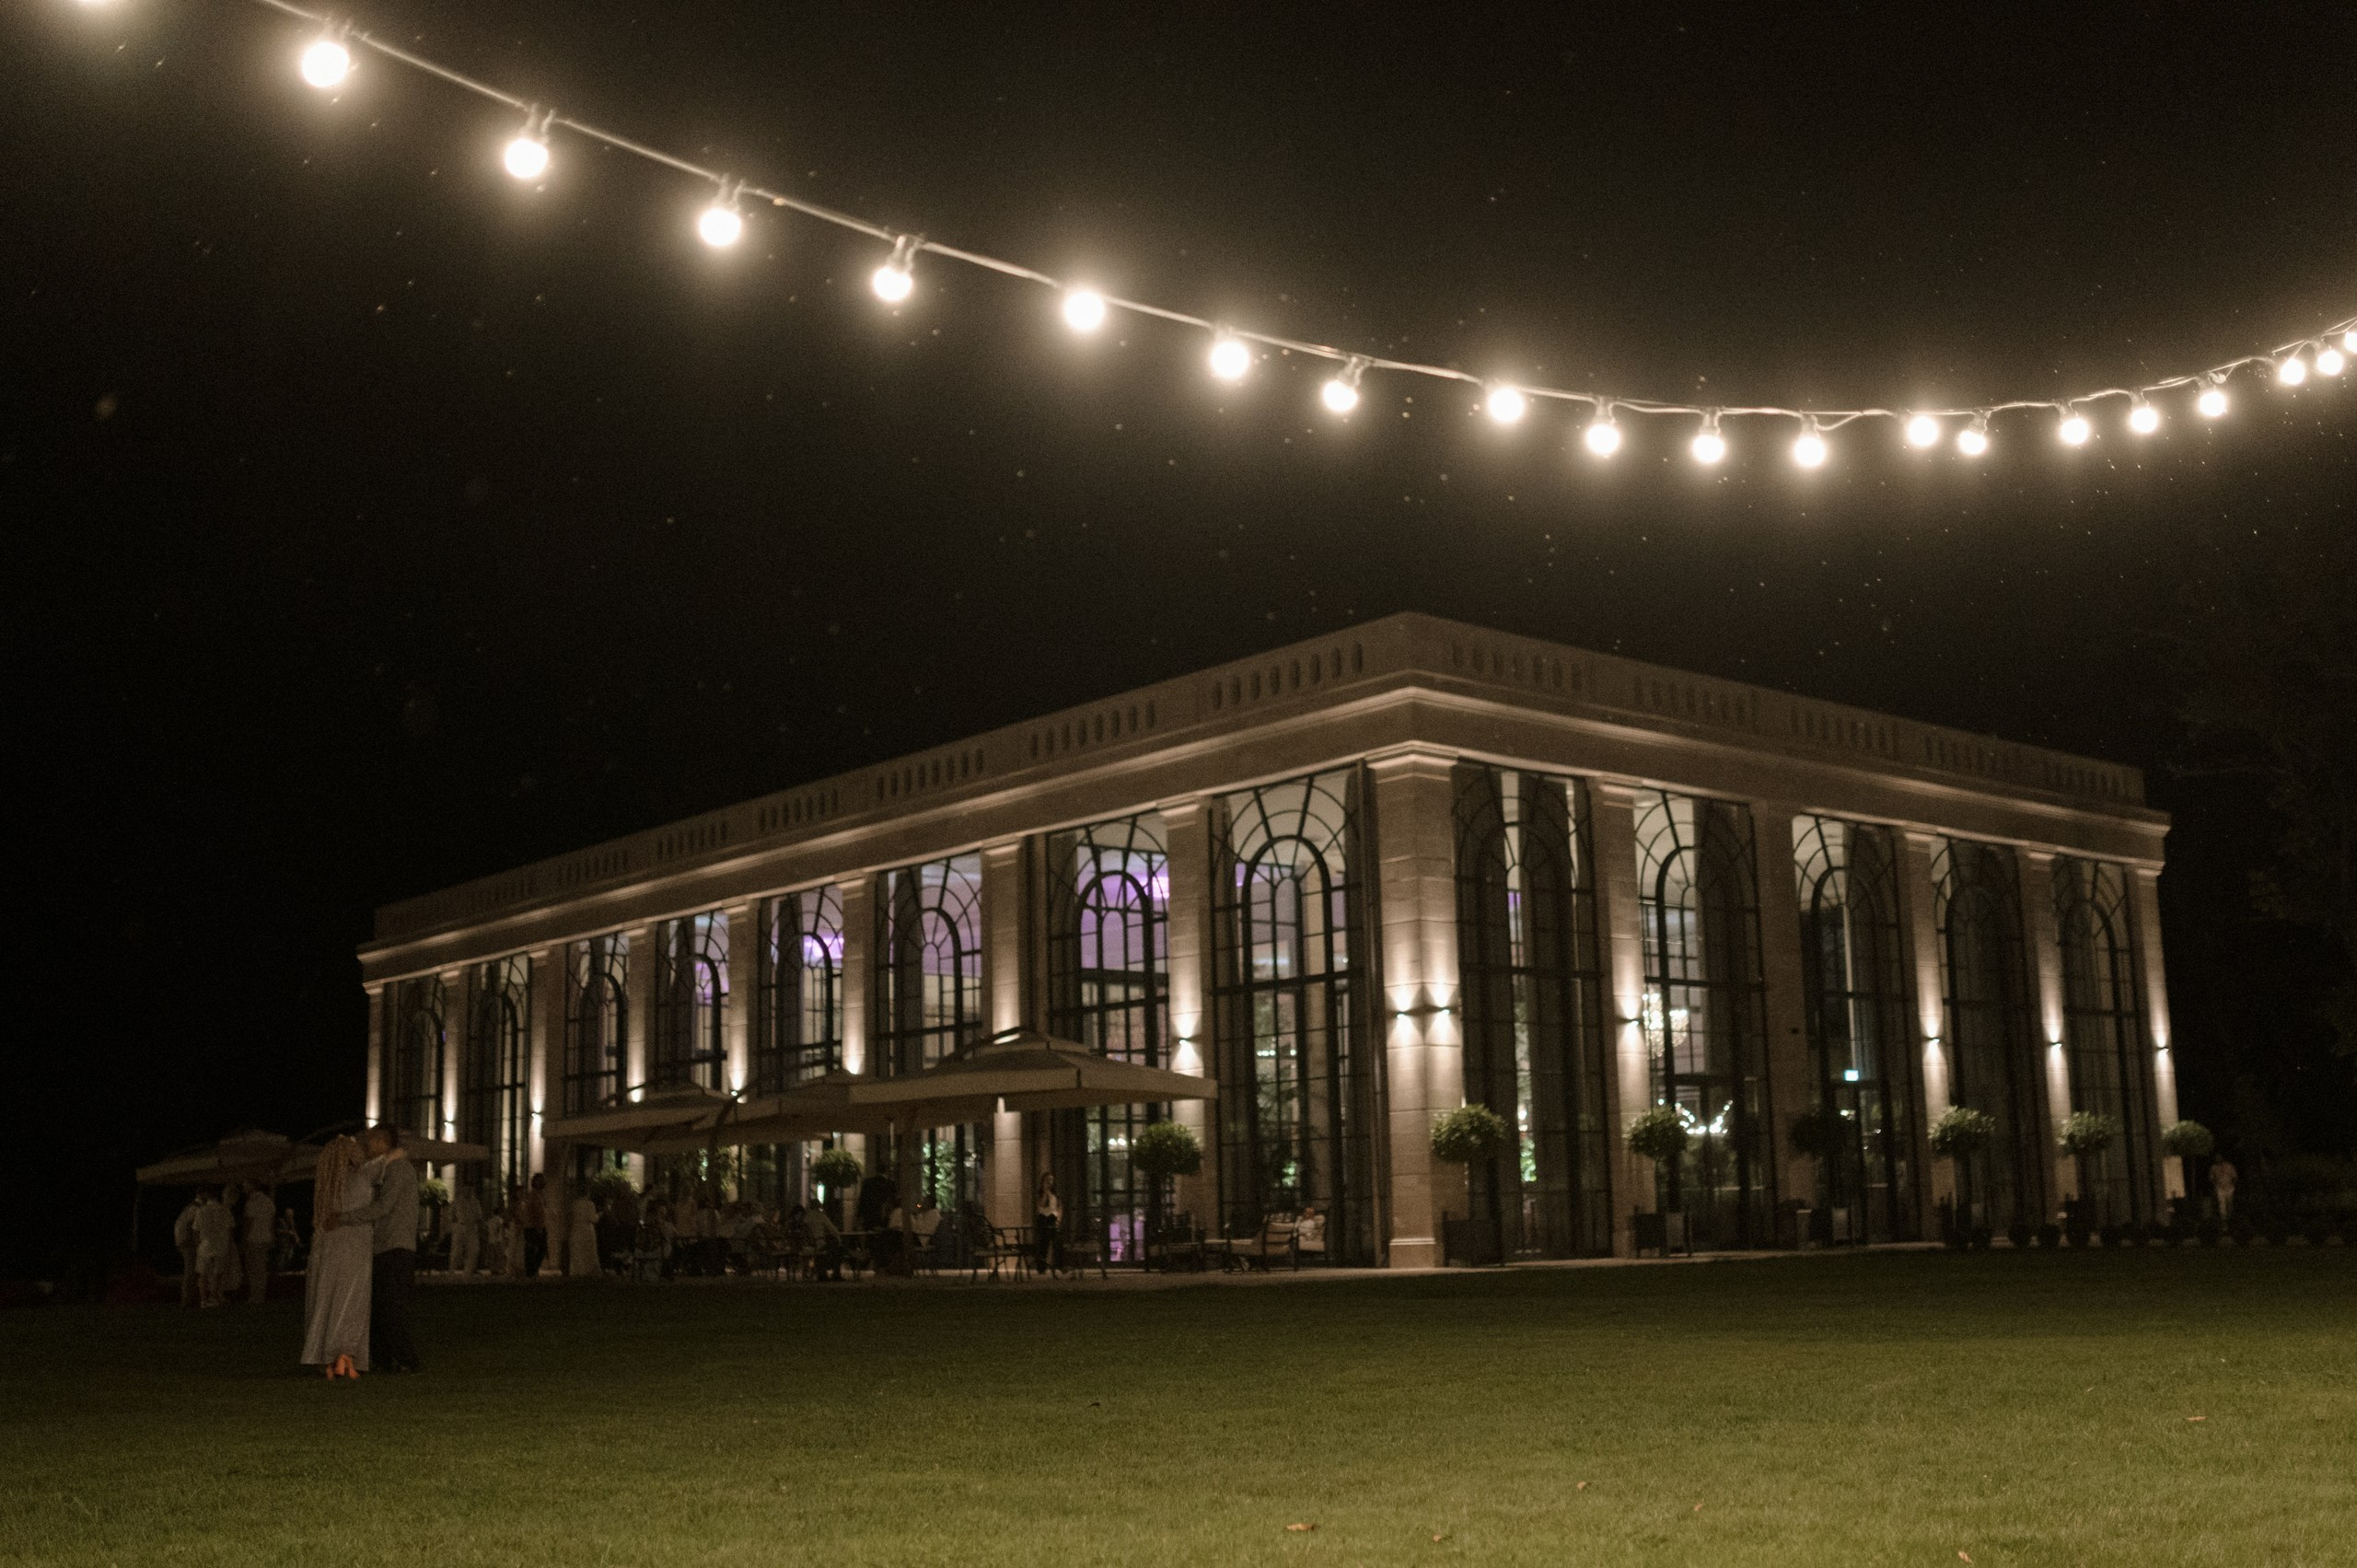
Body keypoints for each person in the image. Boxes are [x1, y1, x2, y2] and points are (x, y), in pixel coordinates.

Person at [338, 1123, 424, 1374]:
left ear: (382, 1142)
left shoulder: (398, 1169)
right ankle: (385, 1359)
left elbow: (384, 1207)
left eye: (371, 1140)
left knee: (391, 1307)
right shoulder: (387, 1169)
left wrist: (344, 1218)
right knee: (380, 1306)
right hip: (387, 1246)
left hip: (396, 1247)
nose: (367, 1145)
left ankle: (407, 1360)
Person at [301, 1135, 375, 1379]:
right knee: (351, 1299)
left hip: (328, 1246)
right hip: (354, 1245)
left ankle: (325, 1355)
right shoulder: (360, 1179)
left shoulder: (327, 1186)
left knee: (325, 1297)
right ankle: (344, 1354)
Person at [192, 1189, 235, 1307]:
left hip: (205, 1245)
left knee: (203, 1274)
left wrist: (197, 1244)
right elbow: (230, 1229)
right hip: (221, 1245)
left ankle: (203, 1300)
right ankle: (213, 1297)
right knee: (217, 1273)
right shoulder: (225, 1210)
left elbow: (195, 1230)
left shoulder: (201, 1211)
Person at [241, 1184, 276, 1304]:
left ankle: (256, 1295)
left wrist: (244, 1239)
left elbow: (249, 1222)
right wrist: (272, 1237)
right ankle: (260, 1294)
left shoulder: (251, 1202)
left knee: (254, 1268)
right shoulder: (268, 1201)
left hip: (253, 1238)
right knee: (261, 1268)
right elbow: (272, 1221)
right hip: (265, 1238)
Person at [800, 1200, 845, 1282]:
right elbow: (833, 1230)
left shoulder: (806, 1217)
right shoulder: (821, 1216)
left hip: (807, 1245)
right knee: (838, 1248)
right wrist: (839, 1239)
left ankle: (822, 1273)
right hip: (819, 1243)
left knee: (832, 1248)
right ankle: (836, 1273)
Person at [173, 1194, 203, 1307]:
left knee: (191, 1271)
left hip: (183, 1241)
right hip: (188, 1242)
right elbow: (193, 1226)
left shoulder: (189, 1207)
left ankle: (190, 1298)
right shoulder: (197, 1208)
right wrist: (197, 1241)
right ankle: (186, 1300)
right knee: (190, 1271)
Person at [448, 1182, 482, 1276]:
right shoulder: (457, 1201)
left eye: (469, 1189)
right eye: (466, 1189)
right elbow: (451, 1214)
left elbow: (479, 1216)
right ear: (462, 1189)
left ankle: (468, 1271)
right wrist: (455, 1223)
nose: (468, 1191)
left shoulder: (475, 1202)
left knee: (473, 1250)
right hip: (460, 1226)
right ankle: (452, 1269)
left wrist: (479, 1226)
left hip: (472, 1227)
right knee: (457, 1250)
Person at [520, 1173, 551, 1277]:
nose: (543, 1182)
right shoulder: (532, 1195)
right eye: (540, 1180)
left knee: (542, 1248)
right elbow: (532, 1211)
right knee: (532, 1248)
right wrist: (537, 1226)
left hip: (540, 1225)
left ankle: (533, 1269)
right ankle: (530, 1271)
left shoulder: (542, 1194)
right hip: (532, 1226)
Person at [1033, 1172, 1063, 1275]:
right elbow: (1041, 1204)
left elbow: (1059, 1207)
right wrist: (1045, 1192)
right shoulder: (1041, 1192)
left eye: (1051, 1180)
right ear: (1043, 1181)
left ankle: (1060, 1265)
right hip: (1044, 1218)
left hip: (1053, 1217)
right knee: (1043, 1243)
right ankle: (1041, 1268)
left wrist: (1058, 1219)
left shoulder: (1055, 1193)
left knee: (1057, 1242)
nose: (1050, 1182)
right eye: (1047, 1180)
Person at [567, 1189, 601, 1278]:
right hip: (587, 1229)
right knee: (588, 1250)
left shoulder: (574, 1204)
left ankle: (577, 1270)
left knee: (577, 1251)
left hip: (576, 1229)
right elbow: (593, 1218)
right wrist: (599, 1214)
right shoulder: (590, 1204)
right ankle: (588, 1270)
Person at [2212, 1156, 2238, 1223]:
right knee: (2222, 1204)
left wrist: (2232, 1185)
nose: (2217, 1159)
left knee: (2230, 1203)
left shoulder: (2229, 1166)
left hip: (2229, 1188)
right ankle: (2224, 1220)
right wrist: (2215, 1185)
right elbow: (2211, 1178)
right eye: (2216, 1157)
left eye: (2219, 1157)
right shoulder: (2214, 1167)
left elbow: (2235, 1176)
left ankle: (2230, 1217)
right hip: (2220, 1188)